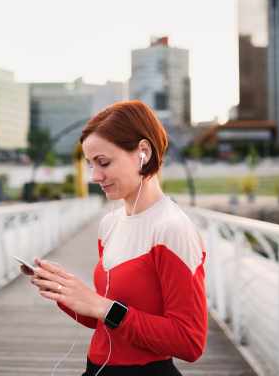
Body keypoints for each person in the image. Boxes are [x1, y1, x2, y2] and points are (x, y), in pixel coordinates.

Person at [21, 100, 207, 376]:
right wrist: (64, 290)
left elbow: (190, 341)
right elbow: (106, 319)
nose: (95, 176)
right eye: (90, 164)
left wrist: (102, 306)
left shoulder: (172, 229)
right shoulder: (108, 224)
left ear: (143, 152)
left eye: (103, 162)